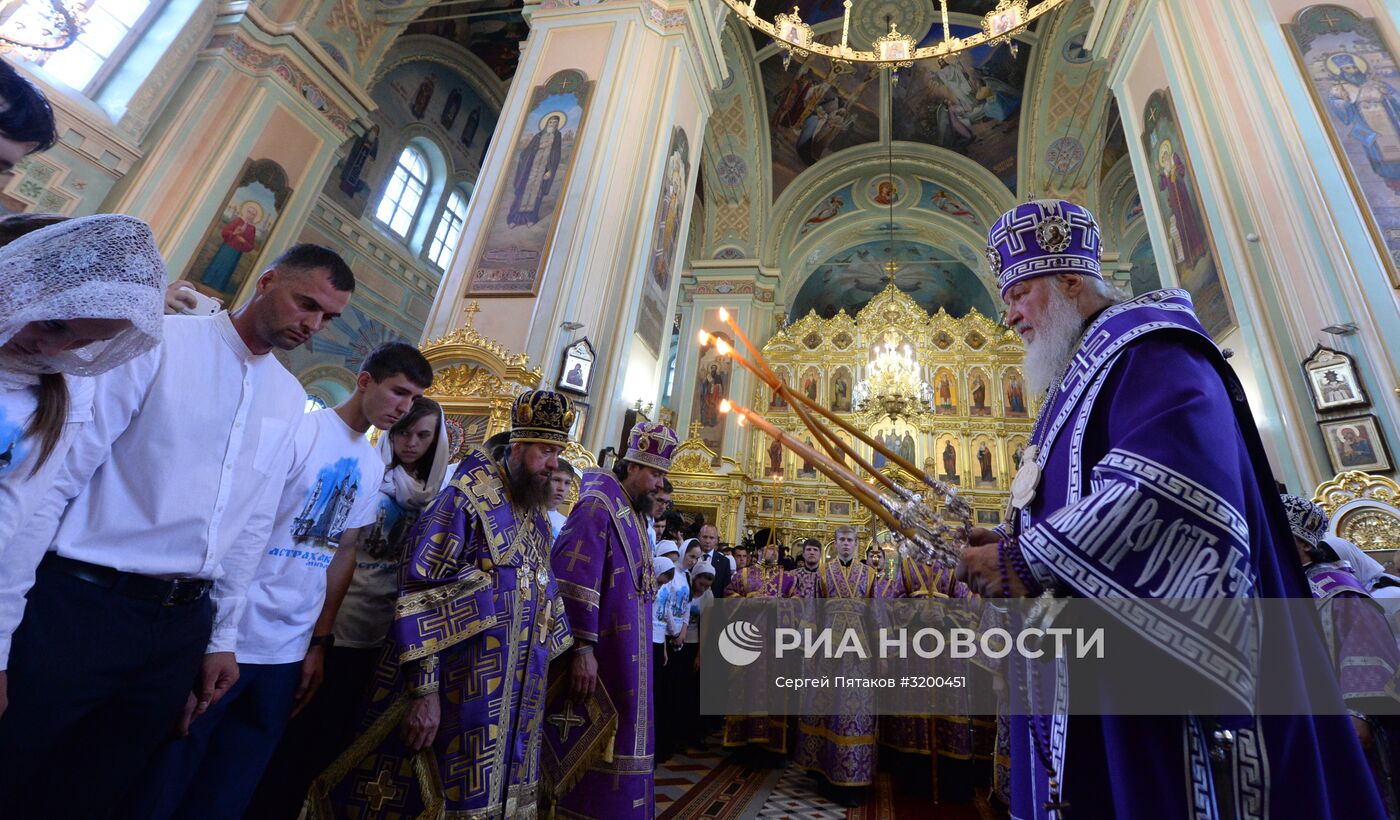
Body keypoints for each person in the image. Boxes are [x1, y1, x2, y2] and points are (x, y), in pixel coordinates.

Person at [955, 199, 1382, 818]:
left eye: (1020, 294)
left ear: (1070, 280)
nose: (1011, 315)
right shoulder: (1082, 372)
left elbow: (1171, 489)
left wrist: (1024, 558)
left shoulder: (1152, 351)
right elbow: (1080, 495)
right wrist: (1009, 535)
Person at [0, 243, 355, 815]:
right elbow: (59, 481)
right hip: (81, 603)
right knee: (17, 766)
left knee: (102, 790)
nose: (311, 324)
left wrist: (222, 638)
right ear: (265, 283)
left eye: (327, 317)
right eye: (305, 303)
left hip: (181, 626)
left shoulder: (290, 398)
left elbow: (251, 525)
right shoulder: (159, 345)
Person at [126, 343, 432, 817]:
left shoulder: (372, 465)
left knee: (234, 783)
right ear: (365, 380)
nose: (403, 408)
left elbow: (342, 552)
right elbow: (245, 528)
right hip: (233, 636)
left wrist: (318, 642)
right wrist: (217, 636)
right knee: (172, 771)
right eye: (398, 392)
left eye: (412, 400)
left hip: (288, 649)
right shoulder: (301, 433)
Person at [309, 390, 575, 817]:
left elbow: (542, 590)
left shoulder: (537, 515)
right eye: (546, 452)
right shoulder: (464, 500)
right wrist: (425, 690)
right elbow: (421, 591)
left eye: (558, 453)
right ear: (519, 446)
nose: (553, 464)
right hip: (460, 689)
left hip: (518, 688)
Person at [247, 396, 451, 819]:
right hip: (336, 621)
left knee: (344, 737)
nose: (411, 443)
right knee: (301, 731)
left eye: (423, 435)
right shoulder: (369, 474)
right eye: (403, 432)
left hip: (388, 633)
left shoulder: (439, 498)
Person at [0, 215, 166, 577]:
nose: (54, 348)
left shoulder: (68, 385)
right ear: (19, 281)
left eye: (85, 341)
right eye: (54, 323)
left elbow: (22, 518)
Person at [549, 421, 677, 820]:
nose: (659, 485)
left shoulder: (634, 513)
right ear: (632, 466)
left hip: (629, 656)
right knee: (596, 741)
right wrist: (582, 649)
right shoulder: (596, 506)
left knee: (629, 737)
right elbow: (572, 577)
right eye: (655, 474)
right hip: (602, 654)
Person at [1284, 495, 1400, 814]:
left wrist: (1358, 714)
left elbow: (1365, 649)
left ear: (1305, 545)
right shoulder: (1288, 585)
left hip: (1345, 717)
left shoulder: (1336, 587)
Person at [794, 525, 891, 806]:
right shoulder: (823, 573)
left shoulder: (869, 574)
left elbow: (878, 617)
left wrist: (883, 654)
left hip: (860, 654)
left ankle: (855, 779)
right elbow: (813, 612)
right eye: (841, 540)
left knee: (855, 712)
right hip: (829, 652)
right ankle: (825, 773)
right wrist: (808, 649)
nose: (846, 545)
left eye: (850, 540)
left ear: (857, 544)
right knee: (827, 707)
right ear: (834, 544)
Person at [723, 541, 796, 760]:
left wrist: (779, 605)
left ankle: (771, 749)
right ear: (760, 551)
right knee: (742, 687)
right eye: (767, 548)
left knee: (773, 690)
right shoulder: (743, 575)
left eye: (775, 548)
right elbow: (727, 597)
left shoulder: (789, 578)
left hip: (774, 645)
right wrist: (750, 600)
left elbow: (800, 604)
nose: (771, 552)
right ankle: (740, 744)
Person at [679, 561, 715, 752]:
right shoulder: (683, 587)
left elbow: (707, 626)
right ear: (695, 578)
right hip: (678, 642)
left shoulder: (708, 595)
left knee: (695, 693)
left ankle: (695, 735)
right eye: (701, 584)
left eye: (707, 586)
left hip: (695, 644)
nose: (703, 588)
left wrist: (700, 655)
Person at [697, 523, 732, 597]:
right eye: (705, 537)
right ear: (699, 537)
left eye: (711, 538)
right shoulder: (692, 557)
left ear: (717, 540)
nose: (708, 541)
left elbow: (725, 590)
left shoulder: (724, 562)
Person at [548, 459, 578, 540]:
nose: (562, 488)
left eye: (567, 483)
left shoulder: (568, 526)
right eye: (556, 480)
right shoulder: (522, 514)